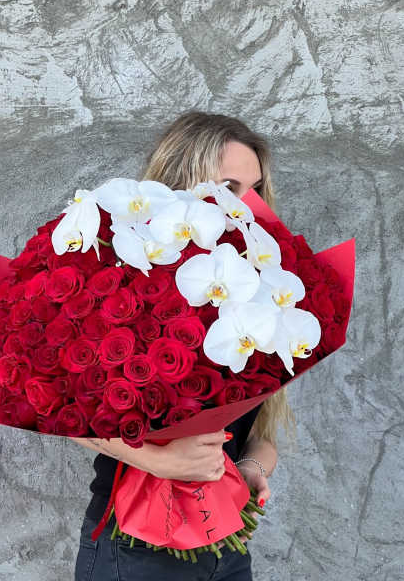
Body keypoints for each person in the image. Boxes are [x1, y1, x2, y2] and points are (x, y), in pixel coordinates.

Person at [70, 110, 297, 580]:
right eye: (229, 186)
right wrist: (157, 459)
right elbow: (61, 413)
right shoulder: (123, 279)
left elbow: (261, 428)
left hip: (226, 541)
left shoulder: (258, 292)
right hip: (134, 543)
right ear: (181, 181)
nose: (245, 204)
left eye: (254, 191)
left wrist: (253, 466)